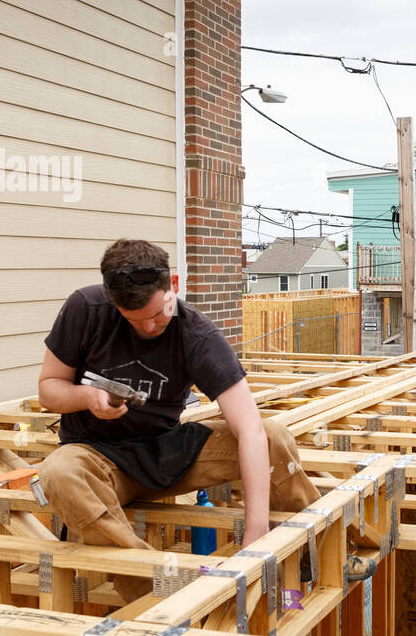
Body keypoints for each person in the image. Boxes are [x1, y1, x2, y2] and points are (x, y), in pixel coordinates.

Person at [36, 239, 322, 603]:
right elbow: (49, 389)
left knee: (272, 435)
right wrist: (88, 398)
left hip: (168, 453)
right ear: (113, 303)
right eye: (134, 320)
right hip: (99, 459)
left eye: (157, 315)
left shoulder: (196, 334)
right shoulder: (85, 309)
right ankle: (159, 595)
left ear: (173, 284)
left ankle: (313, 552)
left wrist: (256, 533)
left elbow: (249, 427)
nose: (149, 327)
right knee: (59, 472)